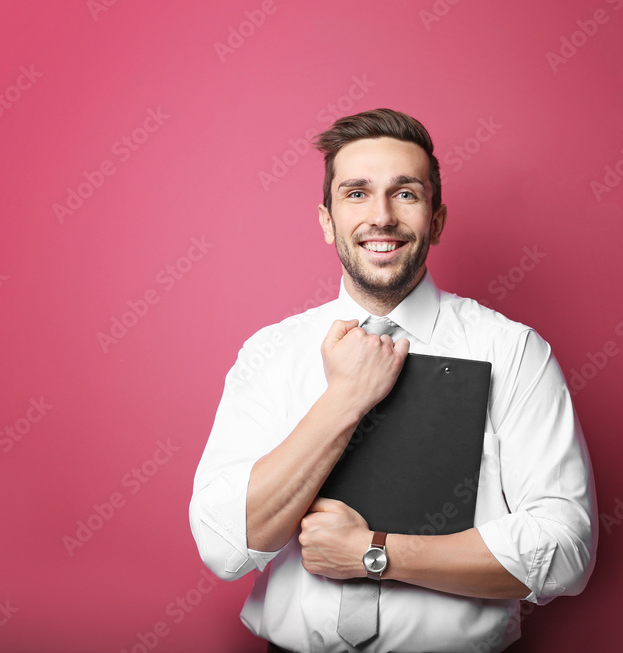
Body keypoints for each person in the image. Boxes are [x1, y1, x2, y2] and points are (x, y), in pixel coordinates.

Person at [189, 108, 597, 653]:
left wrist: (373, 554)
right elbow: (226, 547)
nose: (380, 216)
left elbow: (565, 549)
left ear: (437, 218)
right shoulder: (270, 354)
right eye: (356, 193)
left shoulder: (512, 350)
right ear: (327, 220)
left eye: (405, 193)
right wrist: (345, 399)